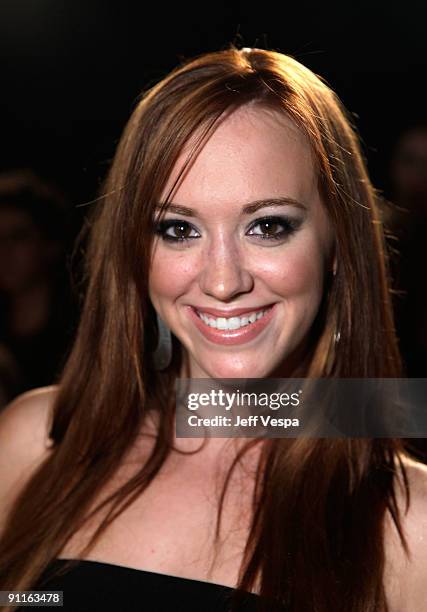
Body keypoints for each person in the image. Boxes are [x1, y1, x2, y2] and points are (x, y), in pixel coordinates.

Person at [0, 47, 426, 612]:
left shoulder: (410, 525)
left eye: (268, 226)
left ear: (337, 245)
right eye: (178, 229)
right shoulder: (37, 442)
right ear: (134, 249)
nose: (223, 282)